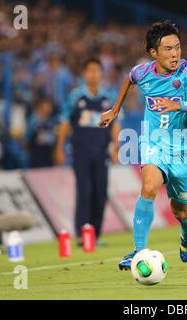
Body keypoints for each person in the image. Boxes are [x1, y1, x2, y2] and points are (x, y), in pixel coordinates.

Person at [99, 21, 187, 270]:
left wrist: (180, 105)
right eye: (168, 49)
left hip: (184, 149)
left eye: (177, 47)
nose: (175, 54)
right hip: (154, 142)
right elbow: (128, 79)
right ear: (154, 53)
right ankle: (139, 250)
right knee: (150, 186)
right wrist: (114, 109)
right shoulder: (142, 72)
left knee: (180, 210)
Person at [55, 57, 120, 245]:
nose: (93, 74)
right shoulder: (76, 96)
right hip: (81, 152)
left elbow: (116, 125)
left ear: (102, 73)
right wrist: (59, 148)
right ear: (84, 73)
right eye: (90, 70)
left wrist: (117, 147)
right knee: (84, 192)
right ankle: (83, 235)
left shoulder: (109, 97)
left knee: (100, 193)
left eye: (97, 70)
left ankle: (96, 235)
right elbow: (65, 122)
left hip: (101, 153)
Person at [25, 98, 57, 168]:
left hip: (48, 156)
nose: (49, 108)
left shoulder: (52, 121)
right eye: (47, 105)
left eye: (50, 105)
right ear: (40, 106)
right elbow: (26, 140)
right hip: (36, 157)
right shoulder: (33, 121)